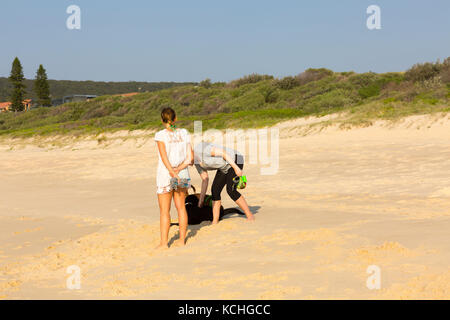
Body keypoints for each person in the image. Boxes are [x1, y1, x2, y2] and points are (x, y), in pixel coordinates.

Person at [154, 107, 193, 249]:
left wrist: (172, 172)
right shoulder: (184, 133)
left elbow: (164, 158)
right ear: (175, 118)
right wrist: (179, 170)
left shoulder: (160, 135)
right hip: (182, 172)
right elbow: (190, 158)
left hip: (166, 174)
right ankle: (182, 240)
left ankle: (164, 243)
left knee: (165, 211)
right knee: (181, 208)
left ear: (162, 120)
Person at [193, 142, 255, 224]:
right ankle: (215, 221)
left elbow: (223, 153)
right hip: (224, 167)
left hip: (235, 159)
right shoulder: (196, 163)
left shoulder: (200, 149)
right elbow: (205, 179)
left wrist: (236, 168)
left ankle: (249, 215)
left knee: (231, 190)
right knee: (215, 190)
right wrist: (201, 201)